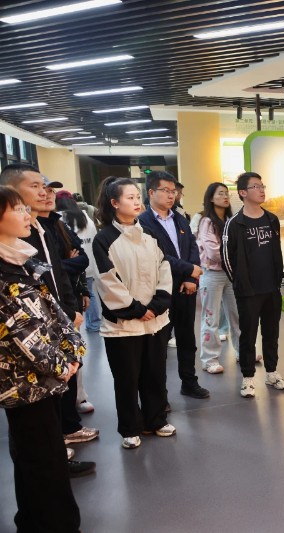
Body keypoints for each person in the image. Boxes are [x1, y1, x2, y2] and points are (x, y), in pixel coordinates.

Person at [0, 164, 95, 477]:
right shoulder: (10, 262)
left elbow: (59, 276)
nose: (44, 193)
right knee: (36, 452)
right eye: (35, 187)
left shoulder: (45, 230)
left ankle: (64, 440)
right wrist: (60, 364)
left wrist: (70, 315)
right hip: (28, 375)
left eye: (46, 187)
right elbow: (20, 328)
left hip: (54, 340)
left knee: (47, 436)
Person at [93, 176, 175, 449]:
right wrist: (136, 309)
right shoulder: (104, 239)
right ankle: (130, 427)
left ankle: (156, 420)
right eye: (130, 197)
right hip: (123, 326)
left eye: (138, 196)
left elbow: (164, 268)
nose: (137, 201)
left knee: (155, 374)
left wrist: (157, 305)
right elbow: (106, 280)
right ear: (114, 203)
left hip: (155, 321)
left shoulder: (150, 234)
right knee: (127, 379)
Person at [138, 171, 210, 400]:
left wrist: (191, 278)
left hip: (185, 289)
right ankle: (159, 394)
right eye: (166, 191)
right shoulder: (143, 222)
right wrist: (189, 269)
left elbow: (192, 248)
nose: (172, 195)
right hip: (160, 291)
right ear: (151, 192)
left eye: (174, 191)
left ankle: (189, 382)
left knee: (187, 339)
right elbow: (158, 255)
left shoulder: (180, 218)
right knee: (159, 345)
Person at [222, 172, 284, 397]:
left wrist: (278, 279)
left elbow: (276, 251)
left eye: (262, 186)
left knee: (272, 333)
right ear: (243, 192)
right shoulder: (234, 223)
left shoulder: (271, 219)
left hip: (272, 288)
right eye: (256, 186)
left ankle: (272, 372)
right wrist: (239, 283)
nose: (261, 190)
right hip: (248, 291)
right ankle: (248, 378)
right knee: (248, 335)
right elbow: (227, 257)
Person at [57, 193, 101, 415]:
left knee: (74, 349)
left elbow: (81, 258)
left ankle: (78, 396)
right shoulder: (83, 217)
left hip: (71, 291)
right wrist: (67, 263)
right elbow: (39, 267)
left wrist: (82, 287)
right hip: (50, 300)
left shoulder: (61, 223)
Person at [197, 182, 241, 374]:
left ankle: (243, 352)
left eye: (226, 193)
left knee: (237, 315)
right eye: (220, 193)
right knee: (211, 318)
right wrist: (235, 258)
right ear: (211, 198)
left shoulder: (231, 220)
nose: (225, 197)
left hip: (231, 274)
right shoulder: (206, 221)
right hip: (212, 274)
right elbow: (213, 251)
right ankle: (210, 359)